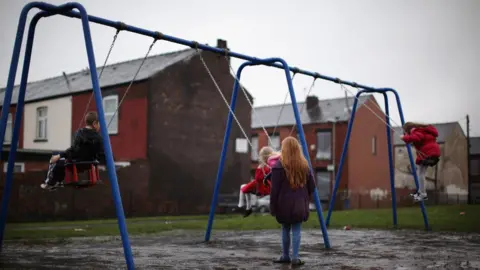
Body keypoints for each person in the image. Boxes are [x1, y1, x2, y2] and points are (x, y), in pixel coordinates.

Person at [270, 136, 315, 267]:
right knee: (297, 229)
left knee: (285, 228)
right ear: (297, 149)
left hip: (283, 204)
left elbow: (274, 190)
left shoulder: (278, 167)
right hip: (299, 204)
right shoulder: (304, 165)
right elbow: (312, 186)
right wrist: (305, 197)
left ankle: (285, 255)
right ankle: (295, 257)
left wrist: (273, 207)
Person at [41, 111, 104, 191]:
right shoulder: (99, 137)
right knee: (60, 161)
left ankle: (50, 183)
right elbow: (100, 153)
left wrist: (59, 155)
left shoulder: (80, 133)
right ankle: (58, 181)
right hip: (89, 165)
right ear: (95, 123)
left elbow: (74, 150)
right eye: (99, 124)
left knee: (56, 158)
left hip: (76, 164)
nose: (100, 126)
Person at [400, 122, 441, 202]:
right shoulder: (423, 130)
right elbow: (419, 139)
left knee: (420, 174)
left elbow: (416, 138)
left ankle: (422, 194)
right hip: (434, 152)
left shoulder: (416, 131)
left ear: (408, 130)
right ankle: (420, 192)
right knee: (421, 173)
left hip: (428, 152)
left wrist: (404, 138)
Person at [237, 146, 278, 217]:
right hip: (264, 187)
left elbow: (259, 178)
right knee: (245, 188)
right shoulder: (268, 166)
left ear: (263, 156)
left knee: (244, 188)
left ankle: (243, 206)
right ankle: (247, 208)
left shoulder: (264, 167)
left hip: (261, 188)